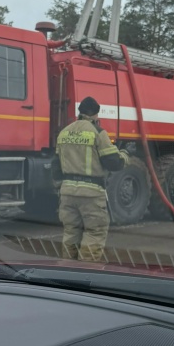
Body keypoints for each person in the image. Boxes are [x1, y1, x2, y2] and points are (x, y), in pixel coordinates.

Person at [53, 96, 129, 261]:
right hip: (91, 194)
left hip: (67, 193)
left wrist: (60, 187)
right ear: (95, 114)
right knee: (94, 233)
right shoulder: (98, 133)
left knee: (71, 232)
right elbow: (113, 162)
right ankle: (85, 274)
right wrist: (125, 154)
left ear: (80, 112)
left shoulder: (64, 132)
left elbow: (56, 166)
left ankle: (68, 271)